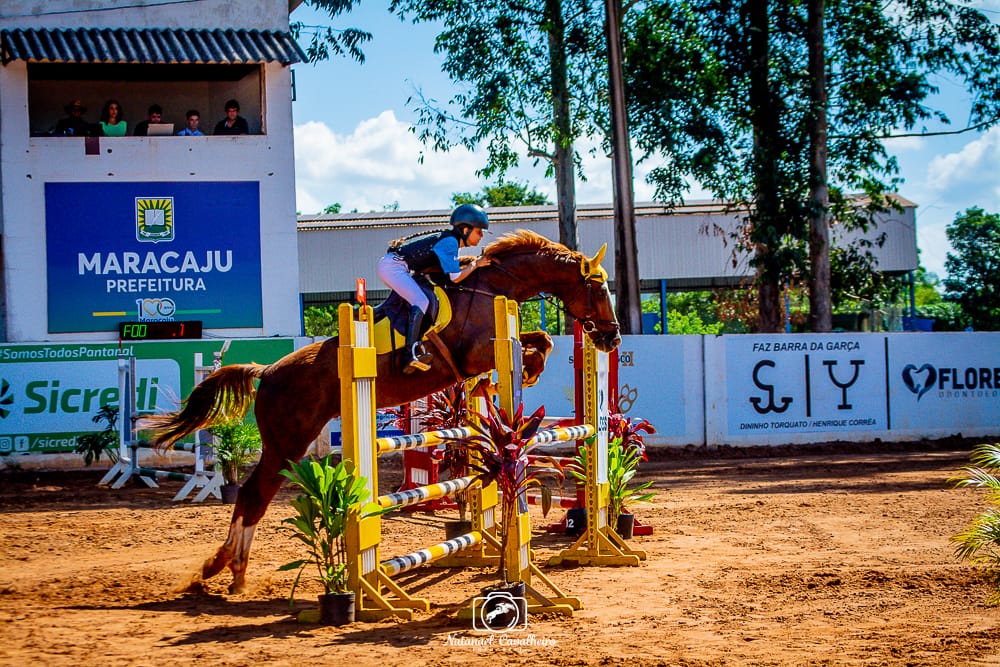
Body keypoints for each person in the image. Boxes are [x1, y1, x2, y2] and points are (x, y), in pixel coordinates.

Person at [377, 203, 493, 374]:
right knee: (421, 300)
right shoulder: (450, 242)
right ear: (466, 229)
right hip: (393, 267)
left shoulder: (450, 241)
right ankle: (410, 353)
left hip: (395, 266)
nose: (482, 236)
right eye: (479, 231)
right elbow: (455, 277)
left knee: (420, 298)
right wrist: (476, 264)